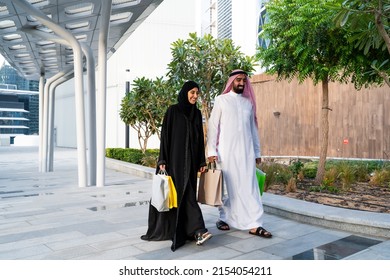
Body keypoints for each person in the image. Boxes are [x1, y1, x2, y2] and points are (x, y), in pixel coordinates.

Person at [141, 80, 212, 251]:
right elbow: (165, 136)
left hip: (191, 162)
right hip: (174, 161)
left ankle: (193, 231)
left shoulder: (196, 114)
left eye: (197, 93)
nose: (195, 96)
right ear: (185, 92)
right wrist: (162, 160)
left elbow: (200, 140)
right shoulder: (173, 111)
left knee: (187, 194)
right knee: (182, 195)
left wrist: (202, 161)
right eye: (192, 92)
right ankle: (198, 230)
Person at [206, 69, 272, 238]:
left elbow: (253, 129)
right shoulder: (221, 100)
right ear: (231, 82)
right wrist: (211, 150)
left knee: (250, 188)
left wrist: (257, 151)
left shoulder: (248, 103)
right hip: (226, 152)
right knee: (228, 189)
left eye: (244, 80)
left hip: (247, 152)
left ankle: (255, 223)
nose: (241, 83)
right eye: (238, 80)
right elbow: (213, 127)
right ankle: (224, 219)